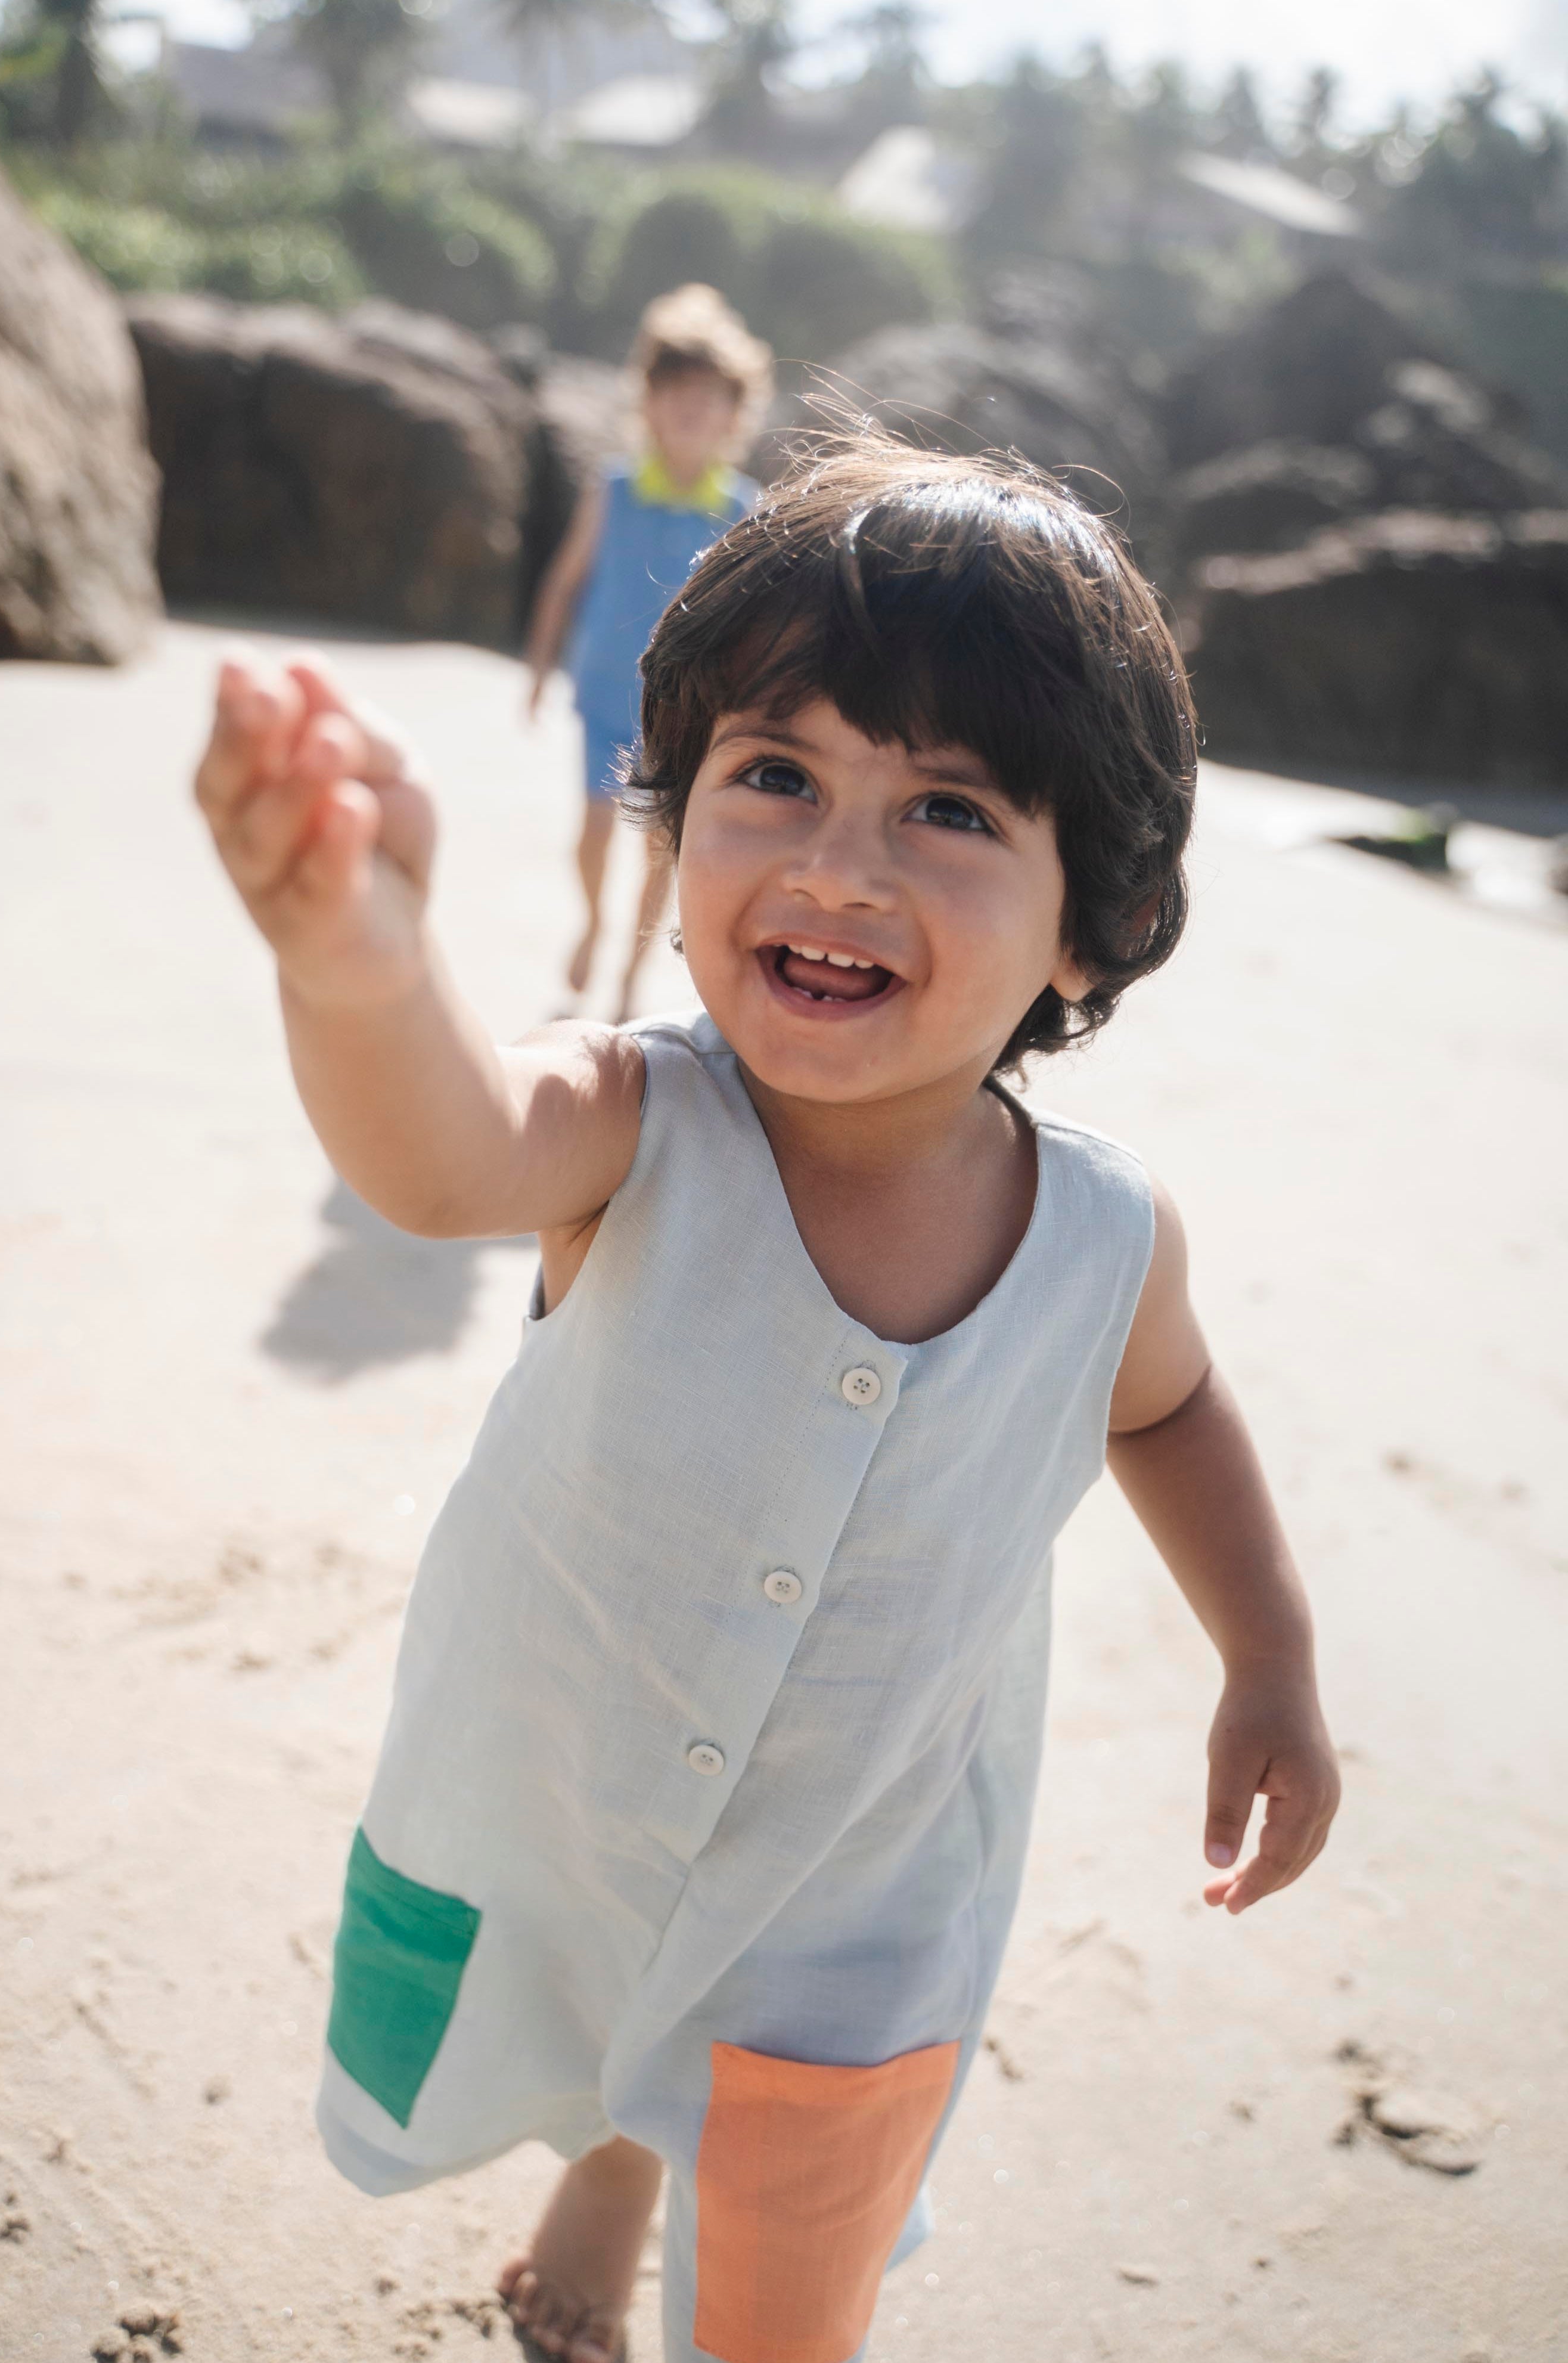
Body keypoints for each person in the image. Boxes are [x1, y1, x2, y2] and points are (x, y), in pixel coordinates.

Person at [191, 433, 1341, 2363]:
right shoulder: (636, 1118)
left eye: (950, 810)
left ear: (1093, 925)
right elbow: (443, 1153)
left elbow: (1169, 1411)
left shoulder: (1100, 1239)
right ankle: (619, 2156)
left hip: (859, 1897)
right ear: (673, 816)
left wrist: (1271, 1653)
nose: (834, 862)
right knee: (571, 2032)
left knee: (784, 2285)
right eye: (777, 774)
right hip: (565, 1784)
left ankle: (679, 2189)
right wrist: (359, 963)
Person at [524, 283, 769, 1021]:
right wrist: (538, 666)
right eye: (676, 394)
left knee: (661, 849)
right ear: (649, 402)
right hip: (602, 690)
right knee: (594, 833)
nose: (691, 410)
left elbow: (753, 627)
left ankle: (630, 973)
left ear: (735, 413)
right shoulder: (615, 489)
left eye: (709, 398)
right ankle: (594, 922)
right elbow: (564, 582)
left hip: (682, 712)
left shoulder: (739, 509)